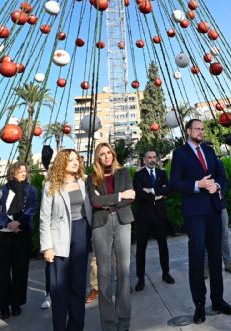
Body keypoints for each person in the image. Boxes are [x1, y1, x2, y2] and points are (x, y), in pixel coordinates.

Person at [169, 119, 231, 324]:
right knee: (197, 258)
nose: (200, 131)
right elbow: (174, 183)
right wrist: (197, 184)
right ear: (188, 131)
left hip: (214, 210)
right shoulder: (180, 154)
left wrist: (217, 185)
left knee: (216, 257)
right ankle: (199, 304)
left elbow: (222, 177)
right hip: (194, 213)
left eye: (202, 129)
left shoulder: (209, 150)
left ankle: (218, 300)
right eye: (197, 129)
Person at [39, 149, 92, 330]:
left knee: (78, 286)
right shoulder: (51, 184)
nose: (75, 162)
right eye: (70, 160)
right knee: (59, 289)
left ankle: (76, 327)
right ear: (62, 162)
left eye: (77, 159)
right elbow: (44, 217)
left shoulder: (83, 181)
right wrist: (47, 247)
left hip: (81, 232)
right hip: (59, 236)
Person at [87, 142, 135, 331]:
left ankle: (124, 323)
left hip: (123, 222)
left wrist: (116, 198)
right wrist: (119, 196)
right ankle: (108, 324)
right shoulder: (92, 178)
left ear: (113, 155)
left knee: (124, 272)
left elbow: (131, 197)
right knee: (104, 274)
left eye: (109, 153)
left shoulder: (123, 173)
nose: (106, 156)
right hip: (101, 225)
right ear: (98, 158)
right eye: (102, 154)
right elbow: (95, 201)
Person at [0, 162, 38, 320]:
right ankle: (3, 306)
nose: (23, 173)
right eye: (20, 170)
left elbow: (32, 208)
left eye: (25, 170)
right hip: (3, 234)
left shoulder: (31, 190)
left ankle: (16, 303)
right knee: (1, 272)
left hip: (21, 233)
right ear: (12, 172)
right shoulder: (2, 190)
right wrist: (7, 223)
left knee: (20, 271)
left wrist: (19, 222)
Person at [133, 150, 175, 291]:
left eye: (154, 157)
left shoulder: (162, 174)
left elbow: (168, 189)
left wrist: (151, 191)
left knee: (163, 246)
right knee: (141, 249)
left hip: (160, 216)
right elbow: (139, 194)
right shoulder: (138, 175)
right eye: (149, 157)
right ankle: (140, 279)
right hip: (144, 217)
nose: (152, 160)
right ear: (144, 159)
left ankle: (166, 273)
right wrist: (157, 194)